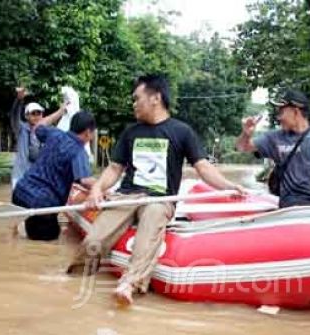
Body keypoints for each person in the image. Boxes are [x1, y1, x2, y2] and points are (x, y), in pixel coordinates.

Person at [67, 74, 246, 306]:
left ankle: (130, 284)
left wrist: (229, 186)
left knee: (150, 224)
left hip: (161, 199)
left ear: (155, 98)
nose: (133, 104)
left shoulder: (182, 132)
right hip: (127, 195)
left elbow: (203, 167)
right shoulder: (131, 132)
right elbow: (114, 168)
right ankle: (76, 276)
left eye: (137, 98)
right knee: (95, 238)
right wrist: (97, 189)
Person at [12, 111, 97, 241]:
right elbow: (85, 180)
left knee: (27, 238)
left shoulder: (55, 133)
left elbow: (38, 126)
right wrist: (103, 187)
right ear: (88, 132)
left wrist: (59, 111)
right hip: (42, 204)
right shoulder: (79, 152)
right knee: (49, 241)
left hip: (20, 193)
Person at [10, 87, 67, 188]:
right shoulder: (21, 129)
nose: (36, 116)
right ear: (26, 116)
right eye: (33, 113)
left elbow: (51, 119)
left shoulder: (44, 131)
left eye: (39, 113)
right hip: (20, 176)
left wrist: (62, 109)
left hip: (36, 178)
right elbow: (14, 114)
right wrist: (19, 100)